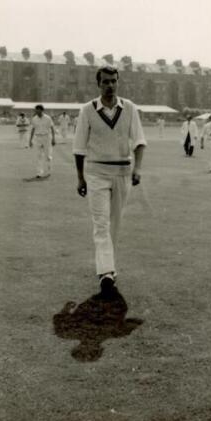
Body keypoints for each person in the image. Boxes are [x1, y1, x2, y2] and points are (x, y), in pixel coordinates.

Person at [73, 65, 147, 294]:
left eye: (113, 81)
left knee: (114, 224)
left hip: (122, 173)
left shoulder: (130, 108)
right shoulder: (87, 110)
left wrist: (138, 169)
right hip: (96, 173)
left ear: (118, 82)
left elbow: (139, 141)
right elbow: (79, 148)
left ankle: (109, 268)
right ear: (98, 84)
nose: (110, 85)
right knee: (101, 223)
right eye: (105, 81)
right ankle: (105, 272)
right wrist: (80, 178)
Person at [29, 105, 56, 178]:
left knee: (48, 155)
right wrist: (30, 140)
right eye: (36, 110)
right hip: (38, 138)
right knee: (38, 155)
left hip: (46, 137)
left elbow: (52, 128)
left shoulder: (48, 118)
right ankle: (39, 173)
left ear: (42, 110)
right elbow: (33, 129)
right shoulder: (34, 119)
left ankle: (49, 170)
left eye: (38, 110)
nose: (36, 111)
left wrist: (53, 138)